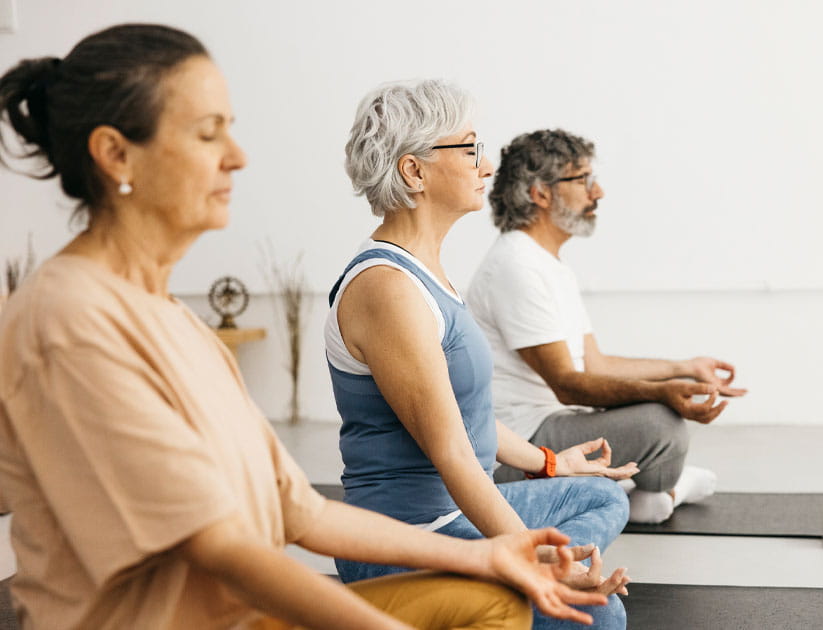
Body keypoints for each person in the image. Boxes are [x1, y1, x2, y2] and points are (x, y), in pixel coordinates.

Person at [0, 25, 611, 630]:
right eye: (208, 134)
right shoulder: (70, 323)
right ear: (115, 155)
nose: (237, 156)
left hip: (249, 615)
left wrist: (489, 553)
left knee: (522, 603)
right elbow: (223, 550)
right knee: (590, 619)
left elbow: (298, 512)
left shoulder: (173, 319)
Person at [326, 80, 636, 630]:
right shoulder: (388, 290)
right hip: (405, 544)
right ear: (414, 171)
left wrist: (550, 462)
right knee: (600, 617)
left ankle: (542, 567)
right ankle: (532, 575)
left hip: (457, 514)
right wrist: (529, 561)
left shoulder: (425, 272)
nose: (486, 165)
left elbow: (462, 412)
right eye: (469, 148)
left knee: (602, 497)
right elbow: (454, 456)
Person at [466, 129, 748, 524]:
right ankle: (652, 495)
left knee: (654, 410)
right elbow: (567, 384)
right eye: (582, 180)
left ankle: (639, 494)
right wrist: (662, 394)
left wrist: (684, 368)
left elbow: (593, 363)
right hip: (520, 447)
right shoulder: (516, 266)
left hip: (552, 429)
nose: (596, 192)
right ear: (541, 194)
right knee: (661, 425)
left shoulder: (547, 265)